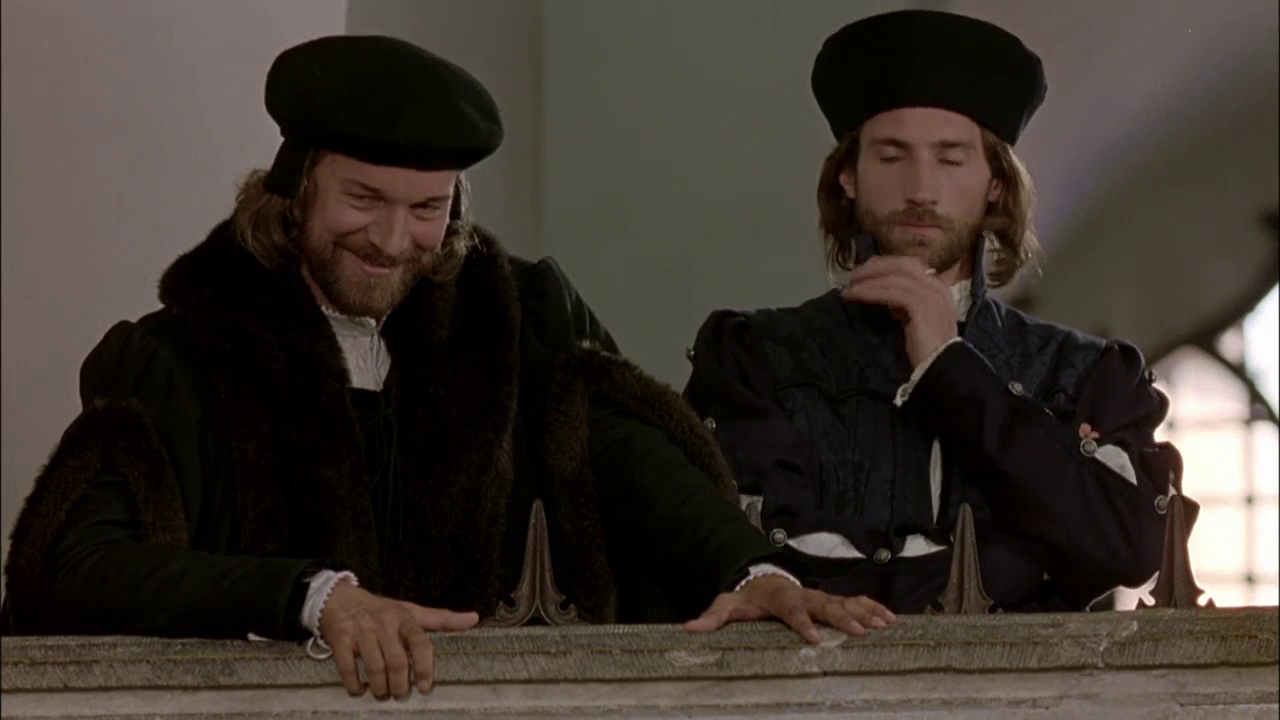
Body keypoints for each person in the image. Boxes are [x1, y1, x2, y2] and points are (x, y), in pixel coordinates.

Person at [0, 35, 895, 700]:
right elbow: (73, 568)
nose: (393, 242)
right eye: (363, 199)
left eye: (427, 208)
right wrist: (312, 598)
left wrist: (750, 571)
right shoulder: (180, 357)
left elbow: (629, 455)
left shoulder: (518, 321)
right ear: (295, 188)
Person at [683, 10, 1187, 615]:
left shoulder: (1083, 374)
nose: (921, 190)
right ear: (848, 176)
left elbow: (1131, 550)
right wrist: (1028, 562)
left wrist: (951, 371)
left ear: (995, 183)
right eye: (892, 156)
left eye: (950, 160)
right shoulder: (755, 359)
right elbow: (726, 557)